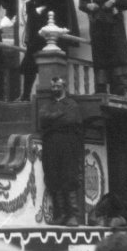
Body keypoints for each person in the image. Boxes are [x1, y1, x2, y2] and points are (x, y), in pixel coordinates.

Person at [21, 0, 79, 100]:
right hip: (39, 30)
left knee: (54, 63)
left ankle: (55, 97)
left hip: (55, 29)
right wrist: (37, 8)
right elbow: (32, 4)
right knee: (30, 62)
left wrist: (45, 7)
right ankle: (25, 95)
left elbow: (64, 9)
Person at [39, 76, 83, 226]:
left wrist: (53, 120)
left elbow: (70, 120)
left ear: (64, 87)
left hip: (68, 145)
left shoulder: (71, 104)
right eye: (53, 87)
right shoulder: (48, 104)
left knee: (69, 177)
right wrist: (58, 117)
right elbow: (43, 118)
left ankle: (72, 215)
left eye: (58, 86)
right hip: (51, 145)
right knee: (54, 178)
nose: (55, 89)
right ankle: (61, 214)